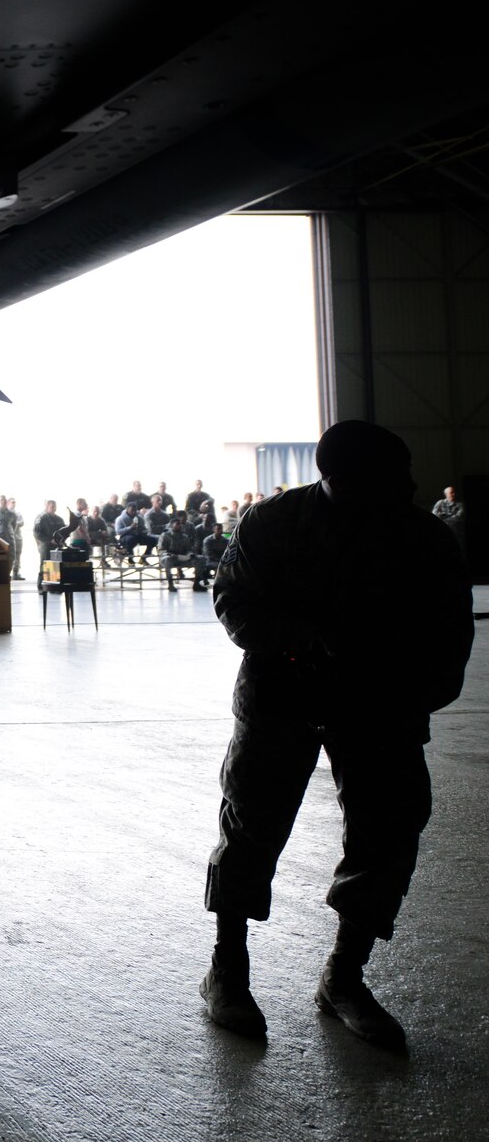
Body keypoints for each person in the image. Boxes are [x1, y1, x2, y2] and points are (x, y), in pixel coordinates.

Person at [199, 420, 473, 1052]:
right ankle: (227, 970)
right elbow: (234, 599)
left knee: (389, 830)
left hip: (380, 703)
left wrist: (415, 694)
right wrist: (300, 641)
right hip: (282, 693)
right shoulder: (272, 523)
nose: (409, 486)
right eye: (393, 477)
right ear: (341, 480)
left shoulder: (422, 537)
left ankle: (344, 977)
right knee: (250, 826)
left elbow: (449, 631)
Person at [158, 516, 202, 592]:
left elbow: (189, 549)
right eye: (177, 524)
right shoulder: (165, 536)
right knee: (168, 560)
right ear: (172, 525)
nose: (180, 526)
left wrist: (190, 554)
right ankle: (170, 584)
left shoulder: (185, 537)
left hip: (182, 558)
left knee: (200, 559)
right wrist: (169, 555)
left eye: (180, 524)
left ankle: (197, 583)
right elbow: (161, 550)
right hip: (170, 557)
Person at [0, 495, 24, 581]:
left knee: (12, 556)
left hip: (9, 538)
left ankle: (7, 573)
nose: (3, 501)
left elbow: (14, 525)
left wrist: (10, 533)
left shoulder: (12, 514)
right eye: (2, 500)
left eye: (5, 500)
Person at [31, 500, 65, 577]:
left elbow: (64, 532)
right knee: (45, 567)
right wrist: (49, 540)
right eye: (52, 507)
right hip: (46, 546)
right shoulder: (41, 518)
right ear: (47, 507)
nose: (54, 509)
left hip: (57, 546)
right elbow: (36, 533)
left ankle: (54, 582)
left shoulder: (59, 519)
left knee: (56, 567)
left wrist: (62, 541)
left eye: (55, 507)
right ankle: (42, 582)